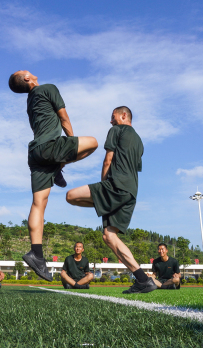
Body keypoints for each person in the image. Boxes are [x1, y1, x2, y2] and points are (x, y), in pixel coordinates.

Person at [9, 70, 98, 281]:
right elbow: (64, 117)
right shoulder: (47, 89)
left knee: (38, 203)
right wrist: (70, 143)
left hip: (35, 153)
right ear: (28, 79)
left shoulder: (30, 101)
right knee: (93, 142)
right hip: (50, 148)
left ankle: (36, 254)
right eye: (25, 72)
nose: (28, 71)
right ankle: (59, 167)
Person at [66, 106, 156, 294]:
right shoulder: (139, 142)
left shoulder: (117, 130)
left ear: (124, 115)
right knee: (109, 236)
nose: (110, 121)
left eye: (112, 116)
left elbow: (108, 160)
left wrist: (103, 186)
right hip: (131, 192)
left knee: (70, 196)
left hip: (115, 186)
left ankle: (101, 201)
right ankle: (142, 279)